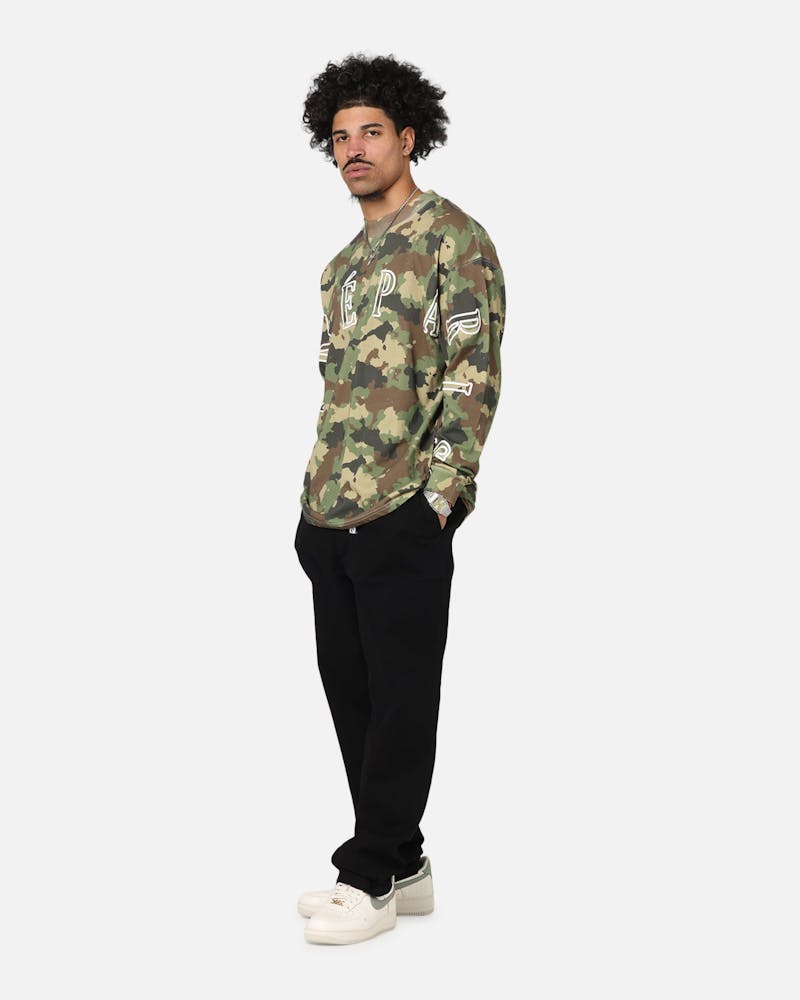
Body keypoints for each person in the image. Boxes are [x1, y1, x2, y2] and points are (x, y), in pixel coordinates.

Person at [293, 52, 506, 946]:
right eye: (340, 136)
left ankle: (369, 872)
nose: (354, 149)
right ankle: (404, 863)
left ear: (409, 137)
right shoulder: (342, 266)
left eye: (371, 132)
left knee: (403, 700)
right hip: (329, 514)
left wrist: (440, 499)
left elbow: (472, 373)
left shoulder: (453, 237)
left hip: (405, 510)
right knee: (356, 700)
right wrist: (309, 514)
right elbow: (336, 386)